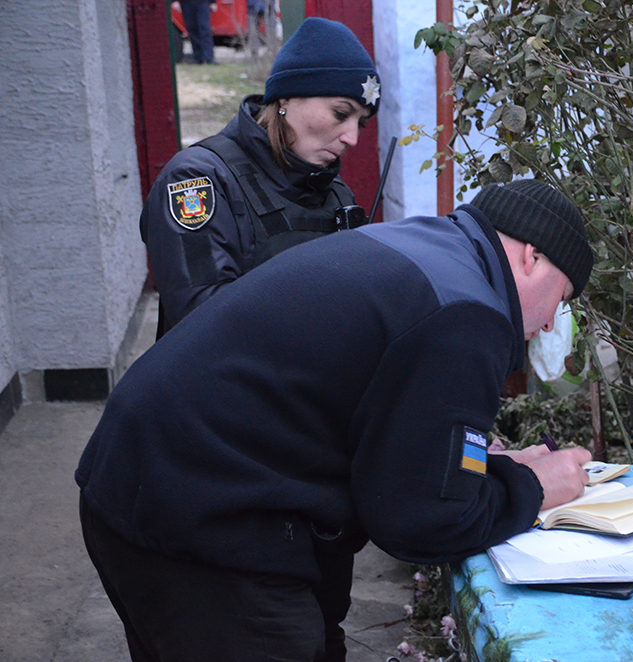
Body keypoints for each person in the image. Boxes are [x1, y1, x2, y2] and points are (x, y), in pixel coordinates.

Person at [77, 179, 595, 662]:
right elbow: (423, 521)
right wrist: (531, 487)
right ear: (532, 256)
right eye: (562, 299)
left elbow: (388, 427)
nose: (550, 322)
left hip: (142, 476)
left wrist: (477, 464)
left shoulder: (429, 250)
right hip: (201, 524)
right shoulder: (467, 313)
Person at [143, 17, 381, 338]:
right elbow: (201, 320)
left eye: (361, 124)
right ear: (287, 97)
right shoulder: (197, 180)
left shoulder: (335, 192)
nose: (352, 137)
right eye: (340, 113)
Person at [174, 0, 217, 65]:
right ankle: (198, 58)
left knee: (205, 29)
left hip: (202, 2)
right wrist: (174, 1)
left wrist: (212, 2)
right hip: (186, 3)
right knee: (192, 29)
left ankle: (209, 58)